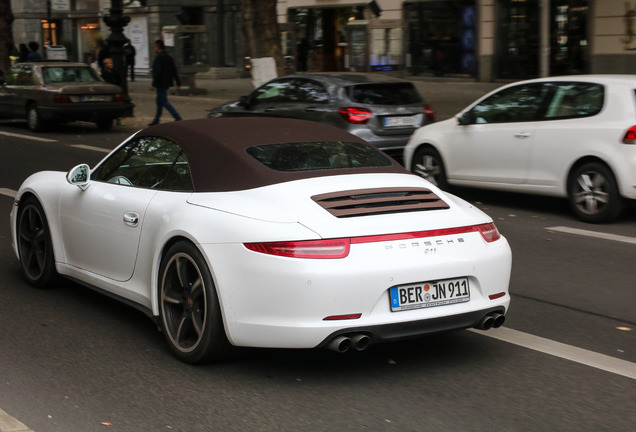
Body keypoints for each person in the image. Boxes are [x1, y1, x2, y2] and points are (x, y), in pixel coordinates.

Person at [149, 39, 182, 125]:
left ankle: (176, 116)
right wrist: (178, 83)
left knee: (163, 101)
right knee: (159, 101)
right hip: (167, 82)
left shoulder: (158, 57)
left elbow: (158, 71)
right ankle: (156, 119)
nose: (154, 48)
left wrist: (153, 84)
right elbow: (174, 70)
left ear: (157, 47)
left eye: (154, 47)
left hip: (160, 83)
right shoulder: (169, 57)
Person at [100, 58, 124, 126]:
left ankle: (118, 119)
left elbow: (119, 79)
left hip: (115, 89)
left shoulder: (115, 71)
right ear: (106, 65)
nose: (111, 64)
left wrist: (117, 85)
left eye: (112, 63)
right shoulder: (104, 73)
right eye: (110, 63)